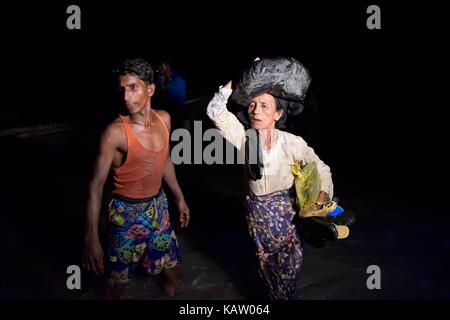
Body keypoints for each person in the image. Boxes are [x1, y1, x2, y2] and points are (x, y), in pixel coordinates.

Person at [206, 57, 333, 300]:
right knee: (266, 276)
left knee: (285, 281)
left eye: (264, 106)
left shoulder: (293, 144)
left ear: (278, 113)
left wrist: (322, 194)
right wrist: (243, 72)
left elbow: (322, 169)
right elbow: (215, 110)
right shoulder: (245, 140)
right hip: (257, 227)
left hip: (288, 225)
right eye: (252, 105)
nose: (255, 111)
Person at [83, 57, 190, 299]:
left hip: (158, 207)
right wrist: (91, 238)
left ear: (150, 89)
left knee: (173, 272)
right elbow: (96, 185)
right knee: (115, 286)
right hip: (125, 215)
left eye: (133, 87)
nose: (126, 97)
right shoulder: (115, 133)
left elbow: (163, 161)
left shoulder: (164, 119)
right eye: (122, 89)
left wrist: (179, 198)